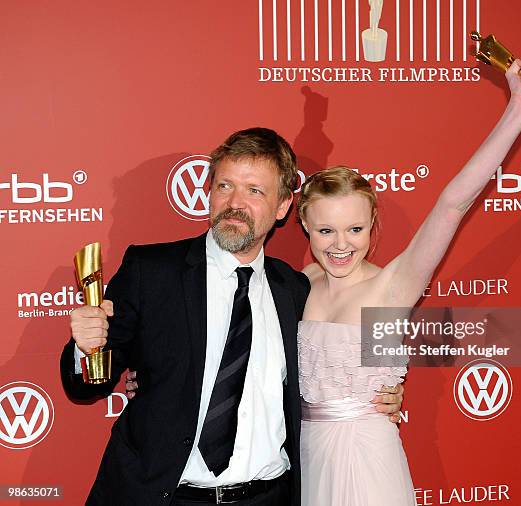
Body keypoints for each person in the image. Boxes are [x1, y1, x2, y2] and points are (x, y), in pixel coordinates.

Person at [60, 127, 404, 506]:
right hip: (164, 497)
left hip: (267, 496)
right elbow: (89, 384)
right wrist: (85, 348)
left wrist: (382, 390)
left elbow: (346, 350)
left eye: (254, 190)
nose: (235, 203)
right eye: (224, 186)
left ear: (282, 207)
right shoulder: (152, 271)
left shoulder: (295, 290)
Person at [294, 58, 521, 505]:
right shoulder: (299, 283)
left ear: (373, 225)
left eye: (355, 229)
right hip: (307, 455)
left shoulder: (393, 286)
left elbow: (452, 204)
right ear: (305, 227)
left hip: (367, 461)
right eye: (326, 230)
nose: (341, 245)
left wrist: (519, 108)